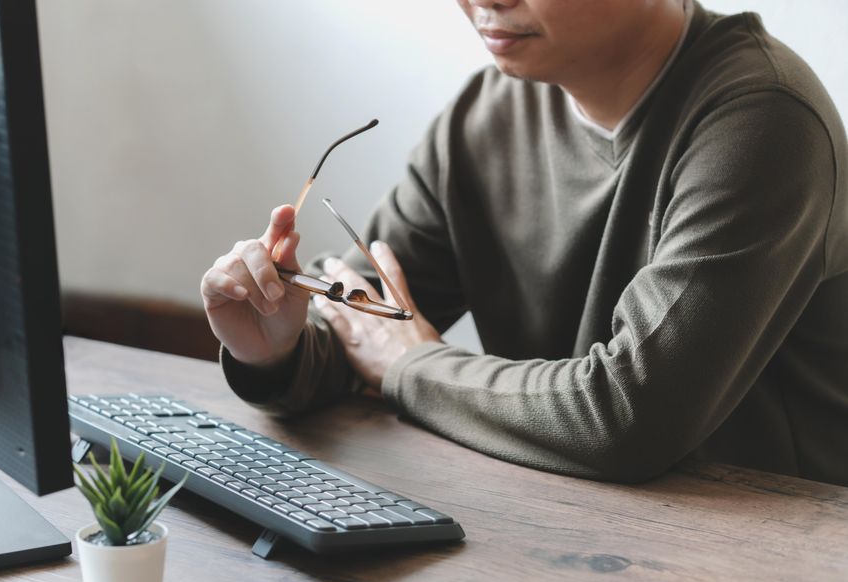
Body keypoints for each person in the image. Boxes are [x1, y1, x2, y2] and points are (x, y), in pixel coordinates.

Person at [200, 0, 848, 485]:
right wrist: (278, 348)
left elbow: (627, 417)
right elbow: (362, 328)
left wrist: (412, 366)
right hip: (558, 527)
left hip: (754, 572)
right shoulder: (486, 116)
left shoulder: (765, 120)